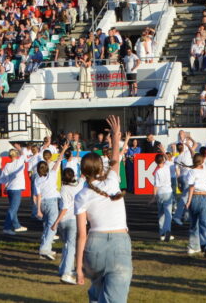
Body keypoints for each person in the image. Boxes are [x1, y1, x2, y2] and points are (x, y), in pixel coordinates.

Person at [75, 115, 132, 302]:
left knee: (98, 293)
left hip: (94, 246)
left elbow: (82, 235)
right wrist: (115, 137)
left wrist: (78, 269)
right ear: (101, 168)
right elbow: (115, 158)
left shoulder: (81, 195)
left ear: (82, 173)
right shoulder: (113, 181)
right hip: (118, 242)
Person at [34, 144, 67, 260]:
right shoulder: (52, 175)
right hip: (52, 202)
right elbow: (58, 161)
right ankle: (45, 248)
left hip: (43, 203)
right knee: (53, 226)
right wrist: (63, 150)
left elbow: (38, 195)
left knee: (47, 226)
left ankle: (45, 247)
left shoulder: (37, 180)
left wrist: (38, 209)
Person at [53, 168, 83, 285]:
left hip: (63, 221)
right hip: (73, 219)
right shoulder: (79, 187)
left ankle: (63, 269)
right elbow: (65, 207)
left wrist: (57, 222)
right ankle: (67, 272)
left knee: (66, 245)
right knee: (71, 246)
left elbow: (64, 207)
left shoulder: (64, 189)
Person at [184, 151, 206, 258]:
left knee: (193, 224)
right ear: (201, 162)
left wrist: (188, 201)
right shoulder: (204, 170)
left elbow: (191, 187)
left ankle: (193, 246)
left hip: (195, 197)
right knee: (205, 224)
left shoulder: (191, 172)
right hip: (204, 197)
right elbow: (201, 161)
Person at [0, 148, 29, 235]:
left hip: (10, 188)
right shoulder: (19, 161)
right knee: (13, 209)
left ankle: (17, 226)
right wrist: (20, 148)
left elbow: (3, 179)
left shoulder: (7, 165)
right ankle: (6, 227)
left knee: (13, 208)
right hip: (16, 188)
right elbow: (24, 153)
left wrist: (5, 185)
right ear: (16, 155)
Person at [152, 154, 175, 242]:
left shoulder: (157, 171)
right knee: (168, 213)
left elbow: (156, 185)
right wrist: (163, 151)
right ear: (163, 160)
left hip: (160, 193)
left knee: (161, 213)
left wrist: (154, 196)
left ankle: (162, 233)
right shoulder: (167, 166)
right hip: (168, 192)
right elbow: (167, 159)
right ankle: (167, 230)